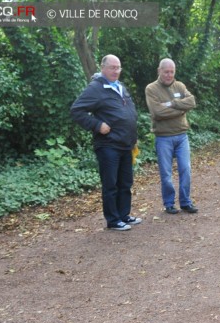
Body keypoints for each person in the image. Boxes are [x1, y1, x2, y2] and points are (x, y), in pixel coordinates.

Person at [70, 54, 142, 231]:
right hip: (108, 145)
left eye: (118, 68)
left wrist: (133, 136)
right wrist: (96, 124)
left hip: (126, 144)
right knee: (111, 184)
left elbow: (128, 112)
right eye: (112, 67)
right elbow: (76, 110)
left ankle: (123, 215)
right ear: (103, 68)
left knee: (125, 182)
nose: (116, 71)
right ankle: (113, 220)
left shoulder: (120, 86)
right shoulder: (96, 88)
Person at [144, 58, 198, 214]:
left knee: (185, 169)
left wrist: (172, 103)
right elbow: (157, 112)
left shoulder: (179, 86)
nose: (169, 75)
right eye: (166, 71)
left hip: (182, 135)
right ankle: (169, 203)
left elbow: (192, 101)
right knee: (166, 173)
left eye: (172, 72)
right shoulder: (151, 89)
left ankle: (186, 202)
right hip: (163, 137)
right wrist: (181, 108)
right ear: (159, 71)